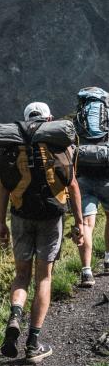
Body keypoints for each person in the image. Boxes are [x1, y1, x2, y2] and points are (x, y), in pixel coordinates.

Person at [0, 102, 84, 363]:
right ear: (50, 119)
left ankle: (15, 315)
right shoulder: (59, 145)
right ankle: (33, 345)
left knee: (21, 276)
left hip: (20, 216)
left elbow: (3, 187)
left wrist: (1, 223)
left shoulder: (13, 145)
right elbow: (73, 186)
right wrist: (79, 223)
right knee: (43, 278)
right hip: (51, 217)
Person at [74, 87, 109, 287]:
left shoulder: (79, 119)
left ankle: (86, 272)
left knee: (86, 224)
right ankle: (108, 260)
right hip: (107, 176)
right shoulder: (107, 115)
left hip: (84, 179)